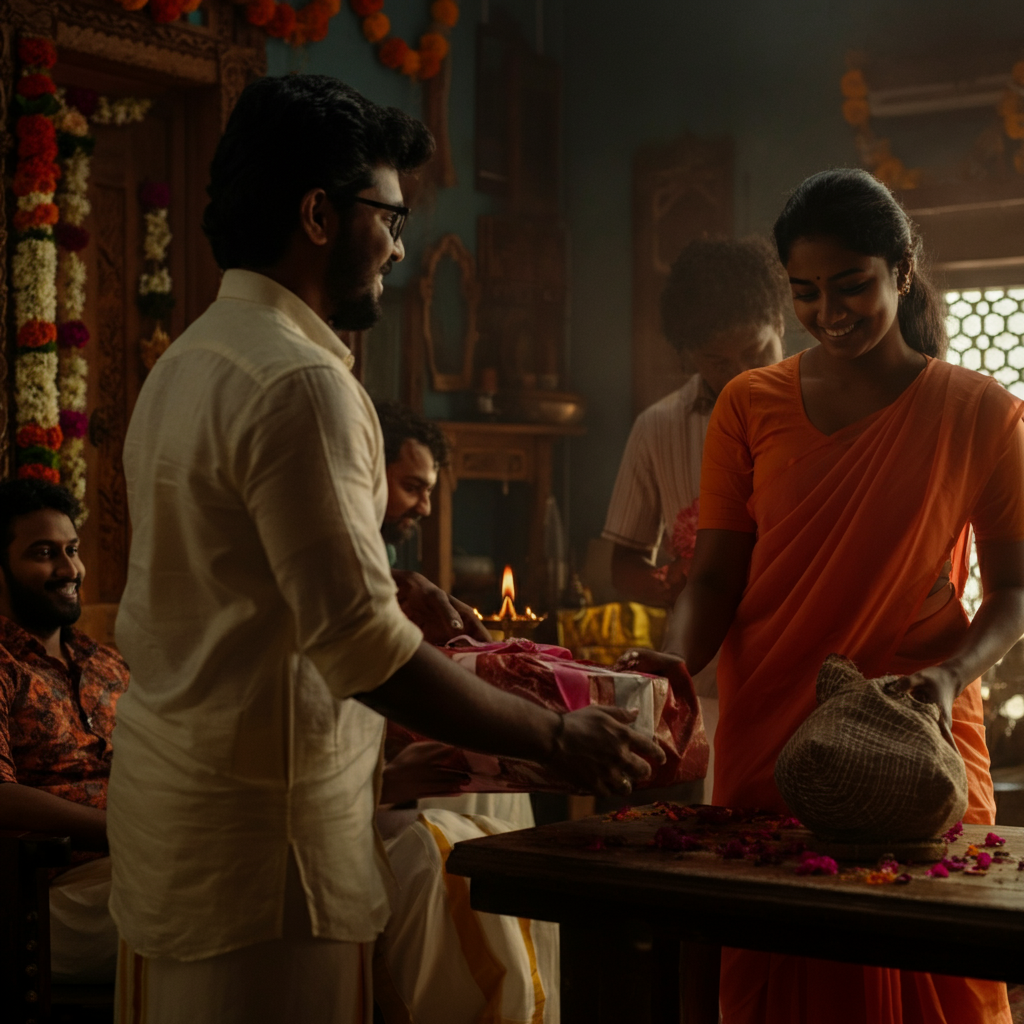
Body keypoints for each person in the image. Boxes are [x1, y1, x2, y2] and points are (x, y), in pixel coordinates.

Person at [107, 75, 660, 1024]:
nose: (399, 249)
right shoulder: (302, 383)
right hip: (267, 853)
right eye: (389, 218)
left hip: (178, 824)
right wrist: (555, 734)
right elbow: (361, 652)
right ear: (320, 215)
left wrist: (391, 584)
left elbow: (238, 576)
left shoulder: (190, 359)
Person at [640, 168, 1023, 1024]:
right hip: (772, 720)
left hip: (916, 725)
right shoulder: (749, 403)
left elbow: (1014, 591)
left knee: (933, 966)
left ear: (902, 271)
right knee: (778, 960)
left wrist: (953, 677)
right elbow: (714, 575)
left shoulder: (982, 413)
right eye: (806, 293)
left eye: (852, 285)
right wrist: (672, 663)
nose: (829, 311)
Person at [602, 237, 788, 801]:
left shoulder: (821, 410)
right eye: (716, 361)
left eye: (757, 352)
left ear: (782, 320)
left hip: (794, 668)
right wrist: (671, 579)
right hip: (702, 679)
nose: (739, 375)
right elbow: (624, 565)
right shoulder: (658, 428)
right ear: (687, 353)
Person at [0, 479, 126, 983]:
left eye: (71, 550)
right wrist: (129, 833)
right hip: (43, 891)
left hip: (137, 863)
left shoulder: (106, 664)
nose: (69, 569)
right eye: (43, 553)